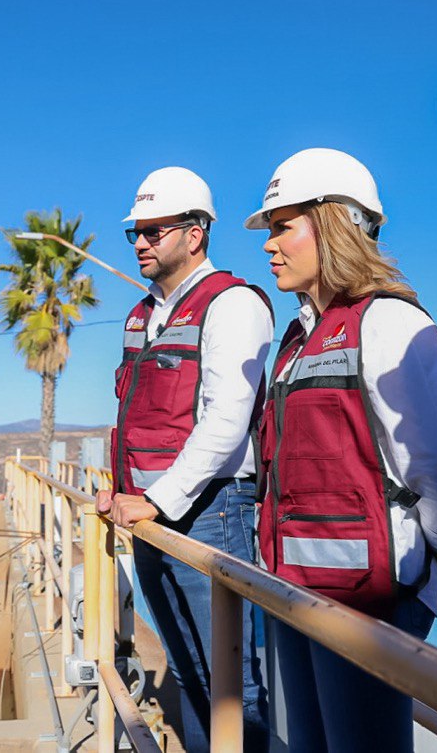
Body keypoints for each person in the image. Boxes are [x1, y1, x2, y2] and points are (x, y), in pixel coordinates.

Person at [247, 147, 437, 753]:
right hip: (295, 591)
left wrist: (431, 575)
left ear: (336, 224)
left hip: (371, 604)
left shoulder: (391, 324)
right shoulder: (296, 339)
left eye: (283, 227)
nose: (269, 245)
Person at [96, 165, 272, 752]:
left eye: (154, 231)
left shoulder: (233, 304)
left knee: (232, 685)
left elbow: (226, 420)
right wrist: (123, 491)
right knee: (189, 669)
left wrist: (155, 499)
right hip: (150, 513)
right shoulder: (141, 315)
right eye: (136, 232)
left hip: (212, 511)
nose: (140, 243)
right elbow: (137, 416)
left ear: (195, 234)